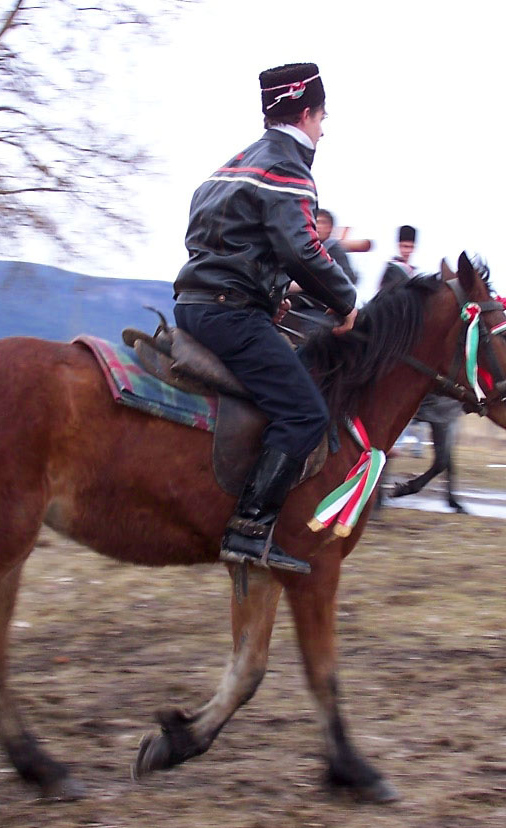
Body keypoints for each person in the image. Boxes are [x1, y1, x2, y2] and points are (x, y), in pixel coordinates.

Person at [172, 62, 358, 574]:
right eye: (322, 116)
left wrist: (268, 291)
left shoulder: (229, 166)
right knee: (305, 412)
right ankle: (248, 528)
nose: (324, 128)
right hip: (229, 316)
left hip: (195, 306)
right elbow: (302, 249)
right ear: (305, 113)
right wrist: (346, 301)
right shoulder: (289, 169)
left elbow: (222, 245)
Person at [378, 225, 417, 292]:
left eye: (411, 247)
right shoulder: (392, 270)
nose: (408, 251)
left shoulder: (413, 271)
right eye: (405, 246)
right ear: (399, 246)